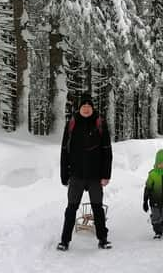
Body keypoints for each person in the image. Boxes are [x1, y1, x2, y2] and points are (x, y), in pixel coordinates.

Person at [57, 96, 113, 251]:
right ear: (79, 108)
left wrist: (106, 175)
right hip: (76, 176)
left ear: (93, 108)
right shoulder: (72, 124)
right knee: (71, 209)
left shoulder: (100, 123)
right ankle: (64, 240)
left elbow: (107, 151)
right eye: (84, 105)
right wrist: (64, 175)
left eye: (89, 105)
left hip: (95, 176)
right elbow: (64, 151)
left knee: (98, 209)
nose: (87, 108)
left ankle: (103, 239)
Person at [142, 148, 163, 239]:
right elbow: (148, 188)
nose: (162, 165)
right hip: (154, 200)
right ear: (156, 163)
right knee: (156, 217)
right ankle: (158, 232)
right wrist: (145, 201)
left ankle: (161, 228)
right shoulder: (152, 174)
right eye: (160, 163)